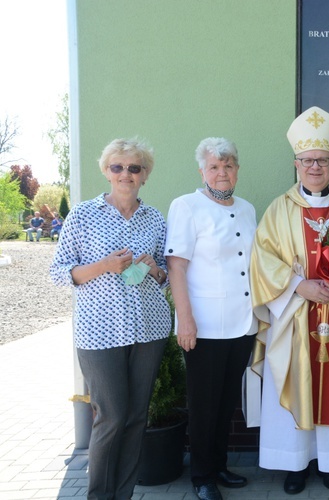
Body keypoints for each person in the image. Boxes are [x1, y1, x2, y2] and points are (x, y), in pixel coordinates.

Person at [249, 106, 329, 494]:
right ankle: (295, 463)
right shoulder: (278, 209)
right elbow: (262, 260)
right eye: (308, 160)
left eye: (322, 160)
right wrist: (297, 286)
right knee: (296, 377)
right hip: (293, 318)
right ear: (296, 163)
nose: (315, 166)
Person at [49, 138, 171, 499]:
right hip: (99, 333)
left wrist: (155, 270)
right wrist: (103, 266)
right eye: (117, 167)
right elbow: (58, 273)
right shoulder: (83, 215)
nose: (125, 174)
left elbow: (166, 272)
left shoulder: (155, 218)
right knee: (112, 416)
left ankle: (124, 493)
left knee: (136, 418)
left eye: (134, 168)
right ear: (106, 171)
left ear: (144, 175)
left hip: (149, 328)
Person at [165, 137, 258, 500]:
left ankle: (218, 465)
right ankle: (202, 477)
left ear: (237, 170)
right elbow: (176, 266)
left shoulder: (248, 208)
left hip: (242, 322)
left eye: (229, 165)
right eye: (215, 166)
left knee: (225, 402)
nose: (222, 172)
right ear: (202, 171)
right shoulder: (187, 206)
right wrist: (184, 319)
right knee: (204, 404)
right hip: (203, 325)